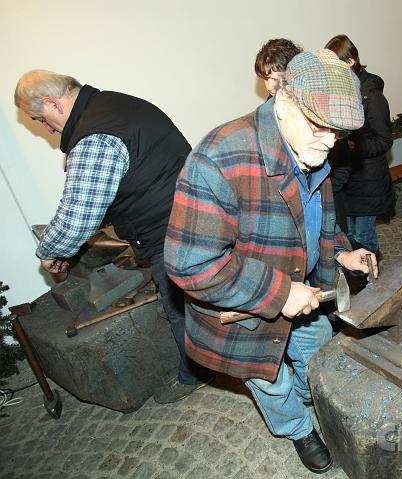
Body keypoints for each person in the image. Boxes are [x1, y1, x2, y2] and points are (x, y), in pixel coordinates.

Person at [164, 50, 376, 474]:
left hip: (305, 292)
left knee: (316, 354)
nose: (330, 142)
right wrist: (278, 292)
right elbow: (190, 265)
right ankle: (298, 429)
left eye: (339, 132)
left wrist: (341, 250)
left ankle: (318, 402)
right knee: (271, 381)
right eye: (321, 127)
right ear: (283, 102)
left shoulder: (312, 143)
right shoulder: (219, 157)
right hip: (242, 310)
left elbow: (318, 217)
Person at [14, 70, 213, 403]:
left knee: (179, 308)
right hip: (194, 209)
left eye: (41, 119)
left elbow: (80, 213)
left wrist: (49, 251)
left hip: (172, 228)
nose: (46, 128)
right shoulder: (115, 105)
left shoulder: (95, 134)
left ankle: (196, 373)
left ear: (52, 103)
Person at [325, 34, 395, 257]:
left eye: (336, 66)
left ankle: (372, 274)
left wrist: (358, 146)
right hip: (349, 178)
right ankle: (363, 273)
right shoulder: (344, 91)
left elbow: (384, 140)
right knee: (351, 236)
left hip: (369, 180)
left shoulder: (372, 97)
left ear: (350, 62)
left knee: (363, 236)